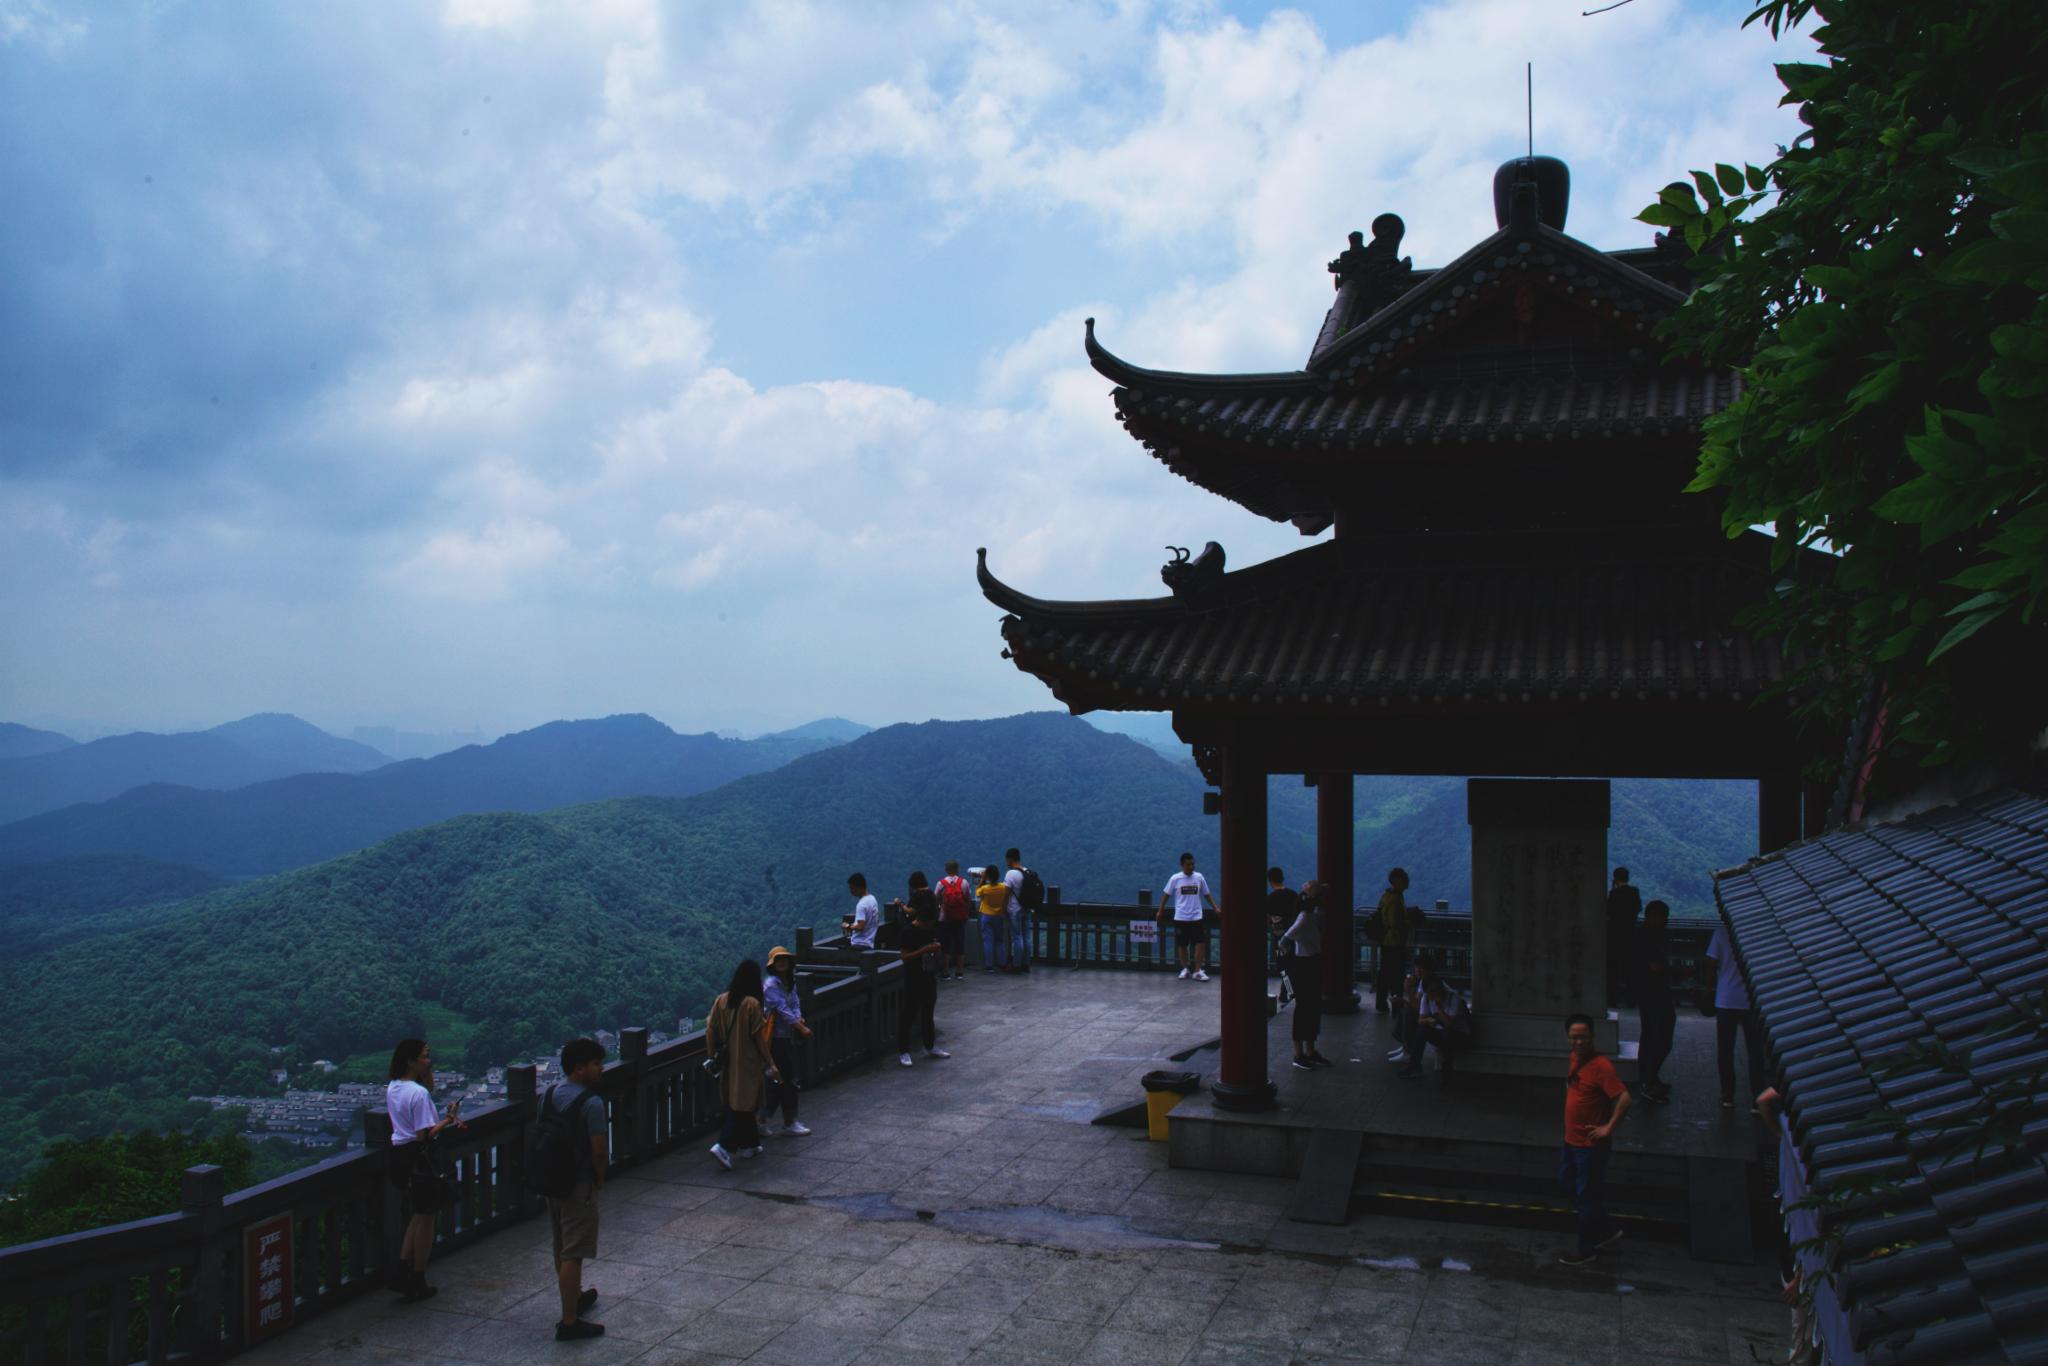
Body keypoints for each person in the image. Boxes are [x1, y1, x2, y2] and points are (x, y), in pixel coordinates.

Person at [384, 1038, 463, 1303]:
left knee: (418, 1215)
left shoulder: (394, 1087)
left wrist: (426, 1075)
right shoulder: (418, 1095)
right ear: (411, 1060)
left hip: (400, 1155)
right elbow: (424, 1135)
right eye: (425, 1057)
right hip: (421, 1158)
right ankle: (418, 1276)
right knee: (426, 1218)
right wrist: (449, 1119)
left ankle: (403, 1270)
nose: (429, 1060)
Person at [545, 1037, 609, 1342]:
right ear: (579, 1068)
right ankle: (569, 1321)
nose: (601, 1069)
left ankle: (574, 1298)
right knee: (574, 1251)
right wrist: (599, 1177)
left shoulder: (549, 1094)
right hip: (578, 1183)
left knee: (561, 1246)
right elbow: (598, 1150)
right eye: (597, 1064)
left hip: (552, 1181)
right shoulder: (591, 1103)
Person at [1558, 1012, 1631, 1266]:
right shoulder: (1574, 1058)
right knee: (1568, 1185)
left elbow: (1624, 1098)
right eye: (1574, 1037)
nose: (1579, 1042)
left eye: (1584, 1037)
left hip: (1589, 1145)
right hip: (1571, 1140)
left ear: (1592, 1037)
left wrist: (1608, 1127)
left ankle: (1586, 1248)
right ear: (1568, 1038)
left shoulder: (1602, 1067)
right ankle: (1607, 1229)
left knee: (1586, 1196)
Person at [707, 959, 779, 1170]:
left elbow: (710, 1031)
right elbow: (759, 1039)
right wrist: (770, 1062)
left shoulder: (721, 1000)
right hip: (747, 1062)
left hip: (728, 1062)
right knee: (744, 1103)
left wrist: (712, 1057)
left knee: (739, 1100)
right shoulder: (752, 1004)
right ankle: (724, 1145)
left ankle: (751, 1145)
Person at [1705, 920, 1764, 1112]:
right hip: (1751, 1000)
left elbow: (1711, 963)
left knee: (1725, 1050)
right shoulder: (1758, 932)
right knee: (1755, 1051)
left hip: (1726, 998)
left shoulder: (1721, 933)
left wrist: (1709, 989)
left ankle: (1727, 1094)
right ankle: (1757, 1096)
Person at [1274, 872, 1330, 1069]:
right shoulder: (1305, 917)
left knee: (1311, 1009)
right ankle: (1300, 1054)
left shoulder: (1311, 916)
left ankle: (1309, 1050)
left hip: (1310, 962)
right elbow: (1287, 937)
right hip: (1305, 966)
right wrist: (1284, 947)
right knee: (1305, 1009)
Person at [896, 876, 951, 1065]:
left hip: (928, 975)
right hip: (913, 977)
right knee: (909, 1013)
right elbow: (904, 957)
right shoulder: (908, 932)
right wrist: (923, 950)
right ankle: (904, 1051)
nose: (931, 926)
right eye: (929, 923)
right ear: (921, 919)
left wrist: (936, 948)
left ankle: (930, 1046)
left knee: (928, 1012)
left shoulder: (930, 928)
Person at [762, 947, 813, 1136]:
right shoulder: (770, 985)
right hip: (776, 1039)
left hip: (788, 1037)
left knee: (784, 1080)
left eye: (785, 959)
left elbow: (795, 1003)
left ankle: (772, 1119)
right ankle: (782, 1120)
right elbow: (782, 1010)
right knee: (781, 1080)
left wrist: (799, 1018)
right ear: (772, 965)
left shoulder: (789, 982)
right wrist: (801, 1027)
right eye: (778, 960)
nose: (782, 962)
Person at [1633, 900, 1676, 1103]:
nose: (1666, 920)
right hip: (1653, 992)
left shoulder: (1644, 935)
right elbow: (1655, 967)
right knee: (1659, 1037)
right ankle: (1648, 1081)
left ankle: (1649, 1078)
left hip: (1650, 991)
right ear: (1653, 916)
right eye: (1663, 916)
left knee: (1651, 1036)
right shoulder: (1646, 937)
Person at [1161, 851, 1217, 981]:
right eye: (1188, 864)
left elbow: (1206, 894)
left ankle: (1197, 970)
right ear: (1182, 865)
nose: (1191, 867)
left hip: (1196, 916)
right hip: (1181, 917)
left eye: (1193, 864)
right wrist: (1161, 910)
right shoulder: (1175, 878)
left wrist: (1215, 907)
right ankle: (1185, 969)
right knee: (1182, 945)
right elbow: (1166, 894)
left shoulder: (1199, 877)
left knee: (1201, 943)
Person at [1397, 978, 1468, 1078]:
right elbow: (1420, 1020)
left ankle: (1447, 1069)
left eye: (1435, 991)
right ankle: (1414, 1066)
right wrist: (1428, 1020)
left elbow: (1448, 1024)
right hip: (1441, 1033)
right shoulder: (1426, 998)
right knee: (1422, 1029)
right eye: (1430, 992)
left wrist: (1439, 1007)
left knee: (1447, 1032)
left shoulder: (1454, 998)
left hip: (1458, 1035)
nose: (1433, 994)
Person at [1386, 953, 1441, 1062]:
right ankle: (1405, 1047)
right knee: (1405, 1010)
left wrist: (1407, 989)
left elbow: (1417, 1006)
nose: (1418, 971)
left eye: (1421, 968)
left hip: (1438, 1017)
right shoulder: (1422, 981)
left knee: (1409, 1014)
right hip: (1430, 1013)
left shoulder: (1430, 982)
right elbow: (1416, 1002)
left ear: (1429, 970)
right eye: (1417, 968)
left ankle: (1408, 1051)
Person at [1372, 868, 1413, 1013]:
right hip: (1394, 942)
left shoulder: (1387, 896)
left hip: (1386, 941)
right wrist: (1409, 921)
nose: (1408, 881)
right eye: (1405, 879)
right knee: (1396, 974)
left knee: (1385, 972)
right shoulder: (1396, 899)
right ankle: (1396, 1004)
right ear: (1397, 881)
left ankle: (1381, 1003)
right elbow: (1396, 924)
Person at [1606, 868, 1642, 1007]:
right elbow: (1638, 908)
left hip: (1614, 935)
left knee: (1613, 970)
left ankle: (1612, 999)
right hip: (1630, 934)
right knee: (1629, 970)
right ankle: (1631, 999)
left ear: (1615, 878)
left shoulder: (1614, 893)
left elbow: (1608, 910)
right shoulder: (1634, 891)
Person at [934, 860, 973, 979]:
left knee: (946, 945)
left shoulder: (941, 883)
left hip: (945, 918)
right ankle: (959, 972)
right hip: (960, 918)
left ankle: (945, 972)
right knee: (959, 943)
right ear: (957, 869)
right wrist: (965, 912)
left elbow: (935, 899)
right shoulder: (964, 882)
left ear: (946, 869)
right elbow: (968, 899)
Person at [975, 863, 1011, 971]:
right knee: (999, 940)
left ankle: (989, 966)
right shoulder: (1003, 887)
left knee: (988, 941)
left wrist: (982, 879)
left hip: (986, 916)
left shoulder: (985, 889)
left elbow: (977, 892)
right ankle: (1002, 963)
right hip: (999, 915)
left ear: (988, 876)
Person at [1003, 848, 1031, 972]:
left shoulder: (1010, 874)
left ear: (1010, 859)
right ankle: (1026, 963)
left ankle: (1016, 964)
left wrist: (1003, 909)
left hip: (1014, 910)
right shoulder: (1027, 871)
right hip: (1026, 908)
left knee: (1017, 937)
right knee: (1027, 936)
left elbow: (1006, 894)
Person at [845, 873, 879, 949]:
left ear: (860, 888)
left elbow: (860, 926)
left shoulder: (861, 904)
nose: (851, 891)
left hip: (859, 944)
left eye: (853, 888)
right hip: (869, 943)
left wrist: (847, 926)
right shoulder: (872, 899)